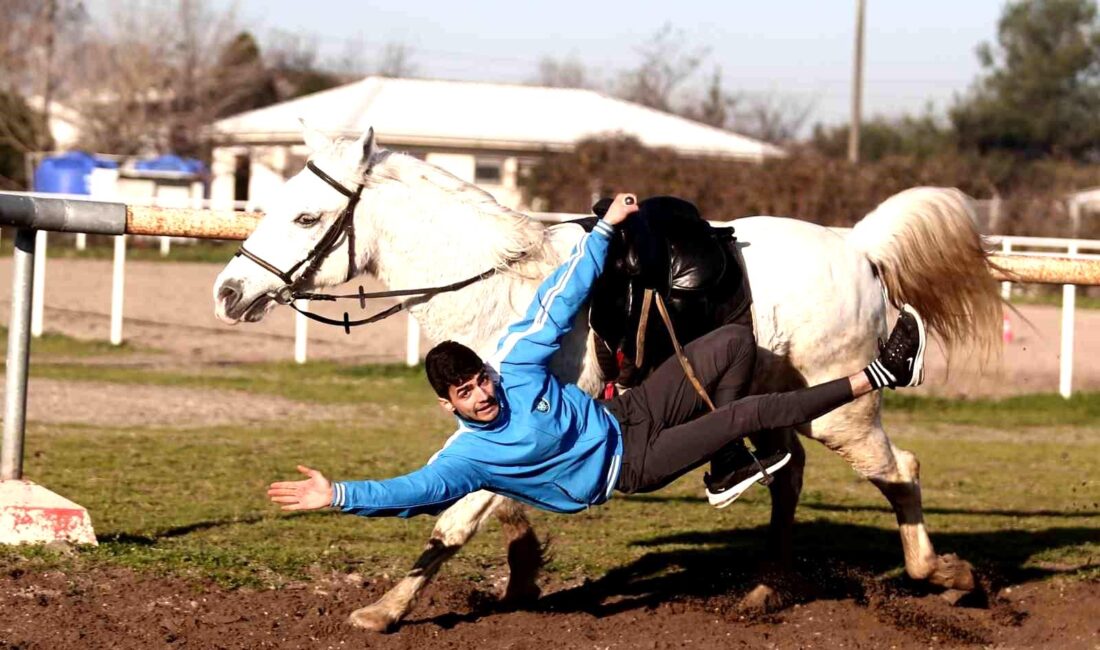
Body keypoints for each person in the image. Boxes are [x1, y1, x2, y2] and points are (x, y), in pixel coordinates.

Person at [267, 194, 927, 516]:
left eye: (481, 380)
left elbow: (562, 298)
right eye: (468, 394)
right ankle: (878, 373)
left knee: (731, 343)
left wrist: (607, 228)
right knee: (746, 415)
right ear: (450, 406)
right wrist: (339, 496)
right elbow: (417, 490)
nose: (484, 394)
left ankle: (727, 466)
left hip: (629, 412)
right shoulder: (471, 456)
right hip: (627, 464)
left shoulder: (516, 365)